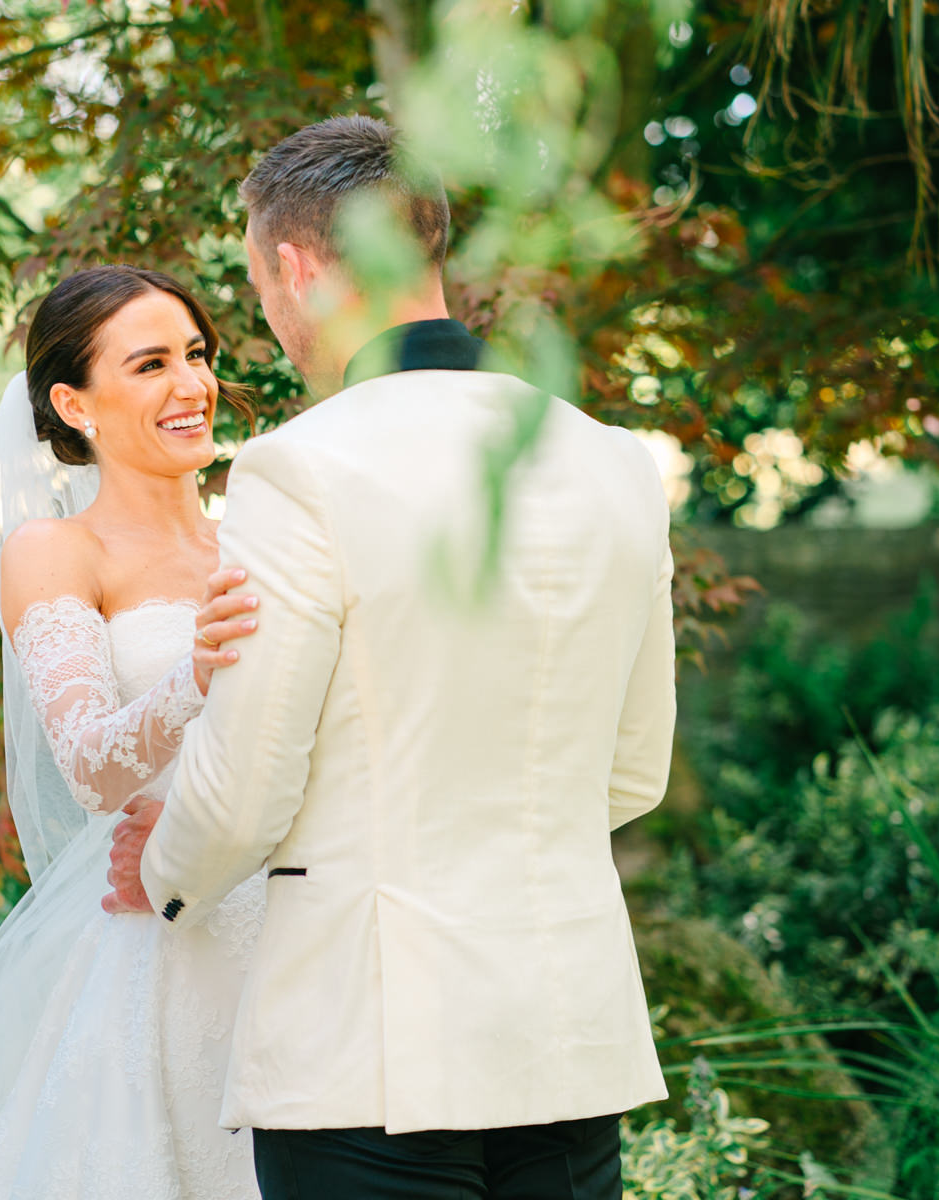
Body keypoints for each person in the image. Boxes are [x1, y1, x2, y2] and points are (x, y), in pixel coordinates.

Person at [103, 115, 675, 1199]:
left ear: (297, 265)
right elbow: (634, 771)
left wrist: (164, 874)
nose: (269, 324)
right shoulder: (613, 465)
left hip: (368, 1059)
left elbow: (244, 791)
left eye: (261, 293)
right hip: (568, 1044)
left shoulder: (299, 469)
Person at [0, 264, 266, 1199]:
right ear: (74, 403)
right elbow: (93, 768)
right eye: (149, 365)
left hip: (296, 932)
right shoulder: (58, 550)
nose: (191, 385)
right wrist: (197, 675)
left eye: (197, 354)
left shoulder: (257, 538)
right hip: (167, 944)